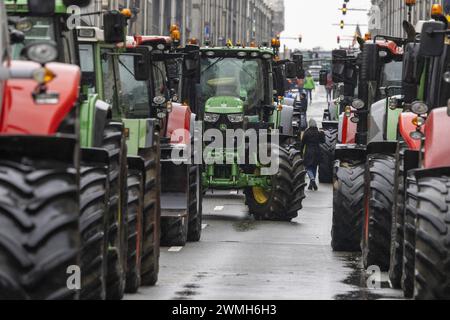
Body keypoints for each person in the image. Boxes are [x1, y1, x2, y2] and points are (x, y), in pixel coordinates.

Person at [300, 119, 325, 191]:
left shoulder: (307, 133)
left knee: (307, 167)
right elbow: (323, 141)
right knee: (314, 167)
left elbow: (302, 144)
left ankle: (312, 179)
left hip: (309, 152)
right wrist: (322, 133)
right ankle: (311, 184)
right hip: (317, 152)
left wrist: (301, 153)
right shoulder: (318, 132)